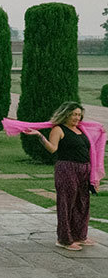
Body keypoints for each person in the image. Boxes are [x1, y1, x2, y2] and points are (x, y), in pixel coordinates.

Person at [21, 102, 102, 250]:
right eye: (74, 114)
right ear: (66, 114)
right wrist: (40, 135)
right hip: (67, 168)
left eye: (79, 114)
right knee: (66, 203)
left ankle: (79, 235)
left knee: (82, 203)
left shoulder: (81, 129)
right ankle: (64, 239)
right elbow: (53, 149)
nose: (77, 117)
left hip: (84, 169)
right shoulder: (58, 129)